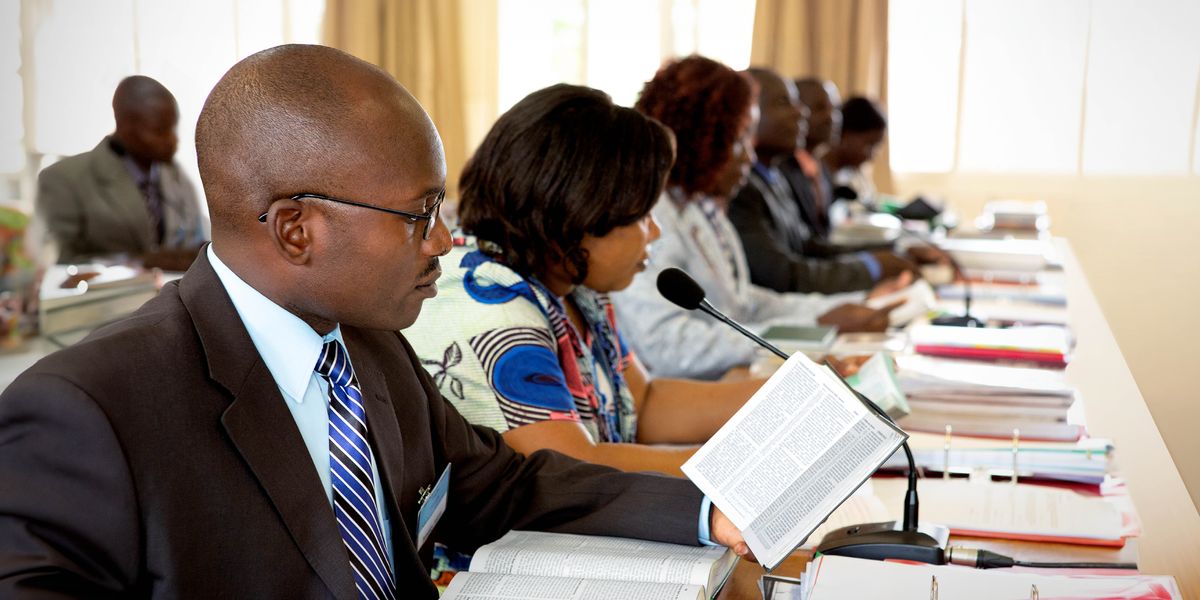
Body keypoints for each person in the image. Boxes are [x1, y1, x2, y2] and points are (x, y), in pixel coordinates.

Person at [0, 45, 749, 599]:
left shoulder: (369, 346)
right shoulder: (88, 411)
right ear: (296, 229)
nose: (445, 241)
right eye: (419, 214)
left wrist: (708, 513)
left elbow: (500, 487)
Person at [407, 84, 762, 478]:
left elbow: (642, 403)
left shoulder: (571, 282)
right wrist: (743, 465)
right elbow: (573, 469)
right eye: (641, 217)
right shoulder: (491, 306)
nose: (655, 232)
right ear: (577, 216)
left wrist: (789, 396)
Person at [610, 56, 899, 381]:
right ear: (703, 137)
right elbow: (671, 346)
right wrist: (807, 331)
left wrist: (827, 313)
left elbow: (744, 303)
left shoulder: (696, 210)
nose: (749, 154)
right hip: (689, 397)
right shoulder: (649, 218)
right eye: (739, 139)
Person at [728, 67, 916, 295]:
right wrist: (872, 266)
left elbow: (809, 246)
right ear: (747, 113)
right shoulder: (740, 187)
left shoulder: (773, 177)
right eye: (783, 103)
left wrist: (889, 253)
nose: (800, 113)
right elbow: (783, 276)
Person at [36, 75, 208, 265]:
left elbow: (195, 243)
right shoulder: (63, 180)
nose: (173, 140)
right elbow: (59, 265)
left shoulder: (178, 177)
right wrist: (141, 262)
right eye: (159, 131)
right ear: (125, 126)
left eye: (173, 128)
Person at [825, 96, 888, 206]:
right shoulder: (818, 176)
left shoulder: (853, 175)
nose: (872, 155)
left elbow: (870, 202)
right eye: (870, 145)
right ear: (845, 134)